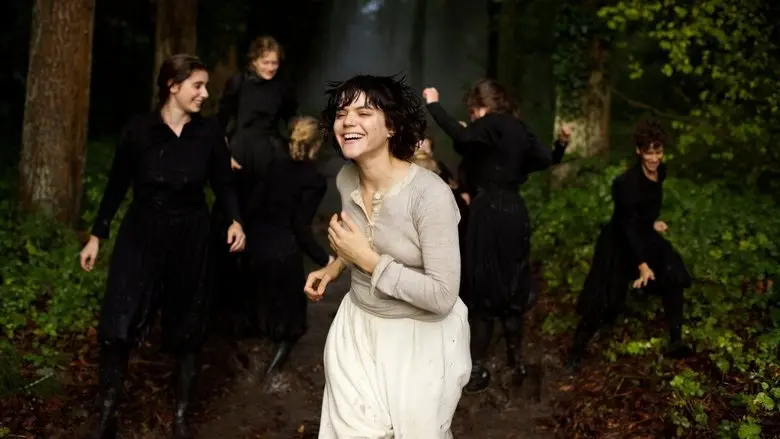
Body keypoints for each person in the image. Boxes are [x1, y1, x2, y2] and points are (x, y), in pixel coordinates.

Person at [79, 54, 245, 439]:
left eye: (205, 86)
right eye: (197, 85)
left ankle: (182, 418)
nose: (205, 93)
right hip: (142, 233)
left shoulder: (209, 133)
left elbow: (223, 183)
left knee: (189, 328)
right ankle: (107, 415)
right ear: (173, 86)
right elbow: (117, 184)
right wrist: (97, 235)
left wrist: (236, 219)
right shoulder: (139, 130)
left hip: (191, 236)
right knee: (118, 323)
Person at [304, 74, 470, 438]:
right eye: (342, 113)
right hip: (357, 328)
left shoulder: (430, 196)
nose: (348, 121)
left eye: (364, 113)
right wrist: (335, 266)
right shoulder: (346, 179)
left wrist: (367, 261)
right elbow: (365, 240)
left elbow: (443, 296)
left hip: (420, 340)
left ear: (392, 126)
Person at [423, 79, 569, 394]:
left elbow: (461, 137)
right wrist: (560, 145)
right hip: (515, 211)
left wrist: (434, 104)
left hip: (488, 210)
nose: (472, 118)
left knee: (482, 285)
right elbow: (545, 159)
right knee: (513, 283)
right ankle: (516, 361)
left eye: (473, 111)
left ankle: (477, 367)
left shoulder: (488, 123)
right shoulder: (519, 127)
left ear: (481, 106)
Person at [565, 118, 692, 371]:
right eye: (649, 153)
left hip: (643, 233)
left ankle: (676, 341)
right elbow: (626, 224)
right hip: (619, 241)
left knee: (674, 274)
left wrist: (651, 222)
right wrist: (642, 265)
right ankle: (575, 353)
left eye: (658, 152)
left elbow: (640, 212)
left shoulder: (660, 172)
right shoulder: (625, 183)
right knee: (603, 301)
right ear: (638, 151)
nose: (654, 158)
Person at [212, 35, 298, 333]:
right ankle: (225, 307)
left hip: (269, 156)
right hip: (240, 154)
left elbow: (291, 119)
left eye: (275, 63)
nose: (271, 67)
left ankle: (259, 311)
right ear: (253, 60)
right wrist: (224, 154)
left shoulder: (282, 86)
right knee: (231, 221)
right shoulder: (238, 83)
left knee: (264, 228)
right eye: (266, 62)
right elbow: (221, 121)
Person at [246, 115, 333, 378]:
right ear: (316, 145)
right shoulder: (314, 179)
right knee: (293, 324)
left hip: (256, 248)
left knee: (263, 314)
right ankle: (270, 377)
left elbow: (253, 207)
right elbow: (300, 227)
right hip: (283, 253)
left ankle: (252, 375)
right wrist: (325, 259)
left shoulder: (273, 166)